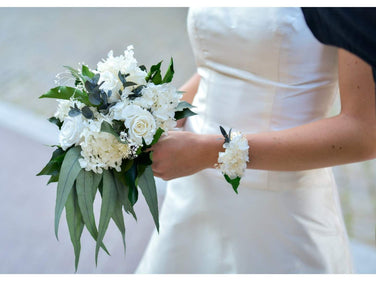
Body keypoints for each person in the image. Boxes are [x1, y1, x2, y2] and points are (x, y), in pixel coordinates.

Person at [135, 7, 376, 273]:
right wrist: (160, 112)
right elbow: (218, 64)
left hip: (275, 210)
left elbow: (364, 133)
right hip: (193, 190)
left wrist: (210, 153)